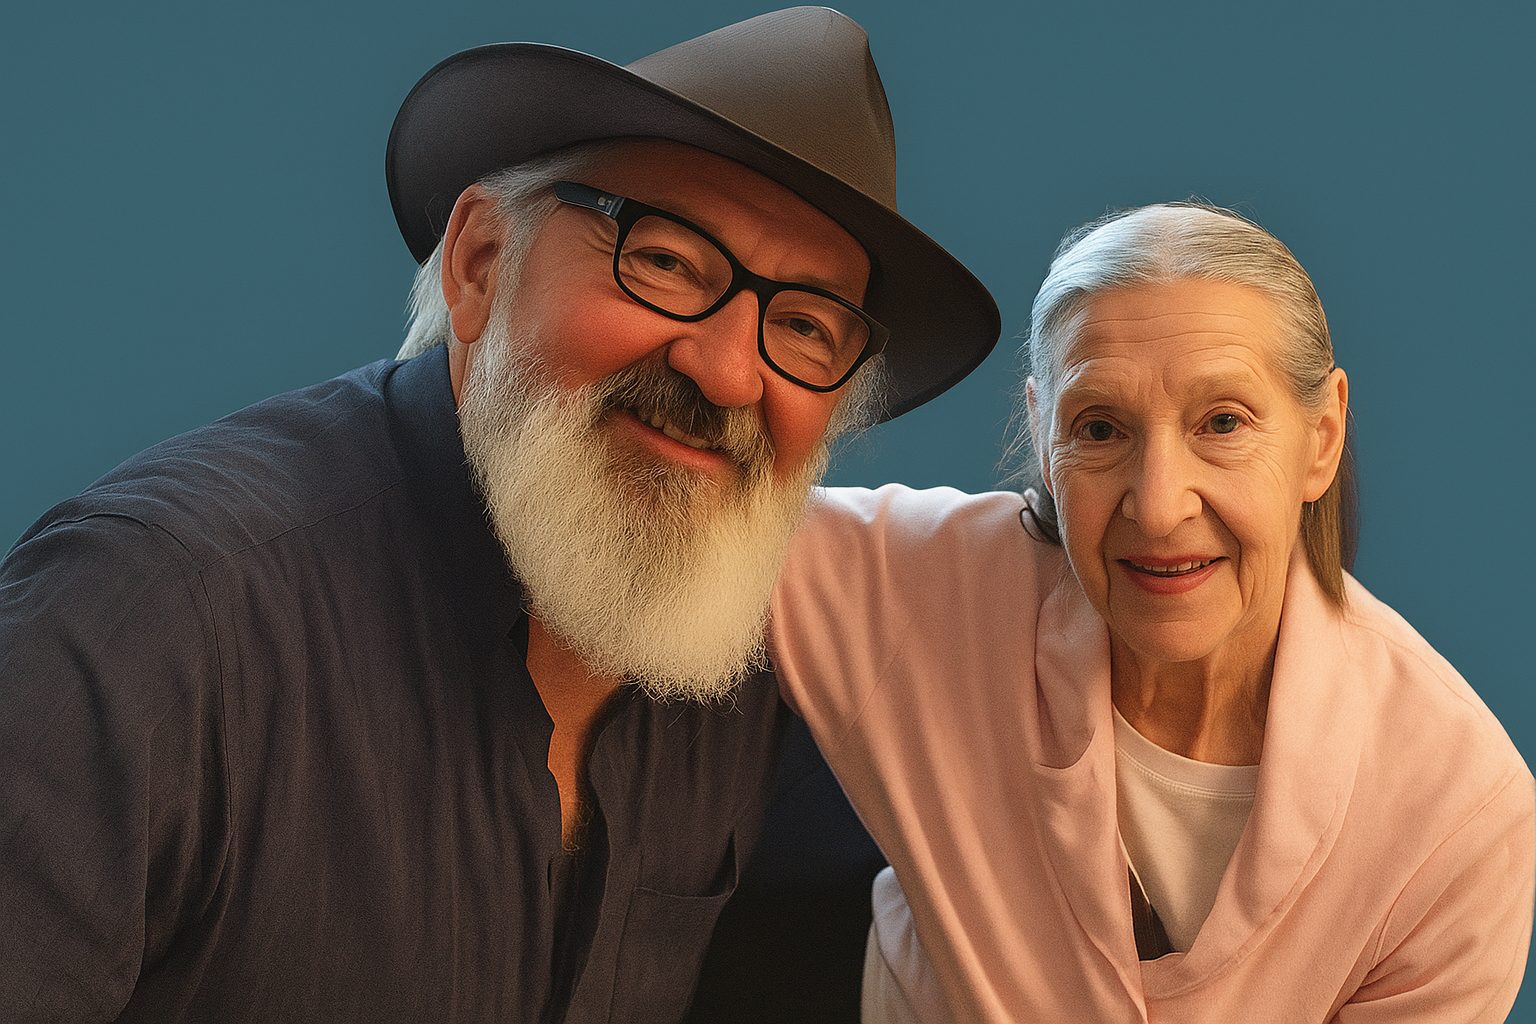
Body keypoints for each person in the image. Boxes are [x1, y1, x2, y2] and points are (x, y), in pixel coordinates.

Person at [0, 9, 999, 1022]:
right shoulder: (157, 616)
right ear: (480, 262)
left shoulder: (764, 678)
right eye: (665, 261)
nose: (730, 372)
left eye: (805, 326)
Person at [772, 203, 1535, 1021]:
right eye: (1099, 428)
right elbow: (695, 515)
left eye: (1222, 423)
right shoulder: (919, 589)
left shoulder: (1459, 818)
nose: (1160, 506)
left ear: (1322, 437)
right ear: (1043, 438)